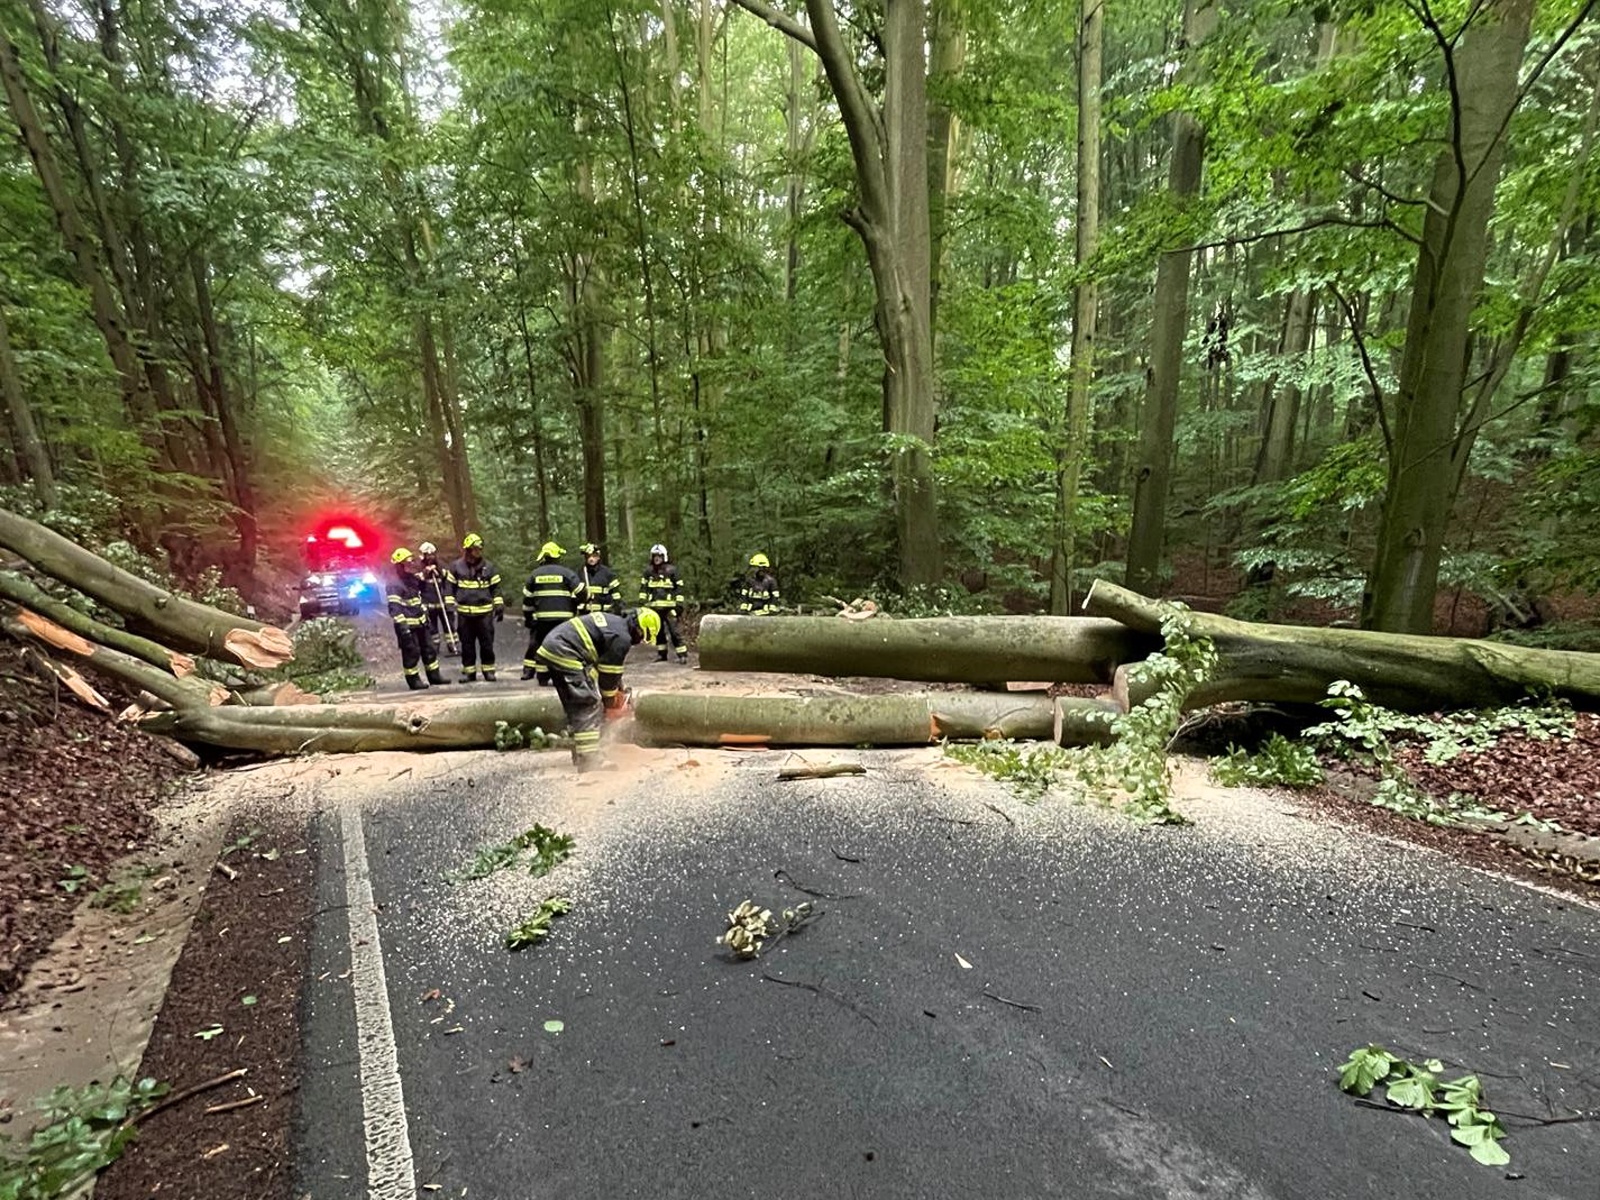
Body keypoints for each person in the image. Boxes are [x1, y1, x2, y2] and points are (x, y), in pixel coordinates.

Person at [537, 607, 660, 772]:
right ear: (640, 629)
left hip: (556, 648)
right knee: (588, 704)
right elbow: (608, 677)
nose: (639, 642)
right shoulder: (622, 638)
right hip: (565, 651)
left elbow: (609, 670)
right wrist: (610, 702)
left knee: (575, 706)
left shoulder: (616, 625)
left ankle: (580, 754)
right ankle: (589, 760)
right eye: (642, 637)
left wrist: (619, 690)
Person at [521, 541, 582, 684]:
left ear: (543, 557)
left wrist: (528, 618)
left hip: (542, 621)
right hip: (564, 621)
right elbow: (581, 592)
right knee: (563, 647)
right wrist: (577, 604)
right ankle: (562, 675)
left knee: (541, 646)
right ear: (557, 557)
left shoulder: (535, 575)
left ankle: (542, 676)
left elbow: (527, 600)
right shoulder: (567, 574)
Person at [447, 532, 504, 682]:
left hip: (484, 614)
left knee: (487, 644)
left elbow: (496, 588)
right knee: (467, 645)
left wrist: (499, 604)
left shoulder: (489, 567)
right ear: (468, 550)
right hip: (464, 614)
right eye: (475, 549)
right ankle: (469, 672)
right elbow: (449, 588)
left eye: (480, 549)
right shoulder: (456, 567)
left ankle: (489, 671)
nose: (478, 552)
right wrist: (449, 604)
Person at [387, 547, 444, 690]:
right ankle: (413, 681)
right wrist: (403, 628)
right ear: (399, 565)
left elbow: (422, 586)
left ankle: (434, 676)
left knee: (429, 649)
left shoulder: (411, 579)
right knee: (411, 653)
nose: (410, 565)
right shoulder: (394, 584)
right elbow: (395, 608)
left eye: (411, 562)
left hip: (421, 622)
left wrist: (428, 571)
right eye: (407, 563)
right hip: (407, 625)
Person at [638, 543, 687, 664]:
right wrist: (642, 602)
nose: (657, 558)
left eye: (659, 556)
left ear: (664, 557)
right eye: (655, 556)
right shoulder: (648, 572)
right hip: (654, 608)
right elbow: (643, 588)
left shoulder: (672, 571)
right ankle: (662, 654)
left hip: (670, 608)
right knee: (658, 632)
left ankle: (682, 654)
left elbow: (679, 589)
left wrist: (679, 605)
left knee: (674, 631)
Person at [417, 542, 456, 653]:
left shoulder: (441, 564)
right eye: (427, 555)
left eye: (432, 554)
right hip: (429, 603)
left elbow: (448, 579)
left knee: (449, 624)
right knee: (432, 626)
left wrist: (437, 570)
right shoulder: (418, 567)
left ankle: (452, 644)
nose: (430, 557)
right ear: (423, 555)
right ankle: (435, 646)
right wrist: (425, 572)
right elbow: (417, 582)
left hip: (443, 601)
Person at [578, 542, 621, 614]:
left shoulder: (607, 573)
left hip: (605, 613)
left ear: (598, 557)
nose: (591, 559)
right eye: (588, 556)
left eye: (594, 556)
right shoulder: (581, 573)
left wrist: (617, 611)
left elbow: (616, 595)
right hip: (586, 615)